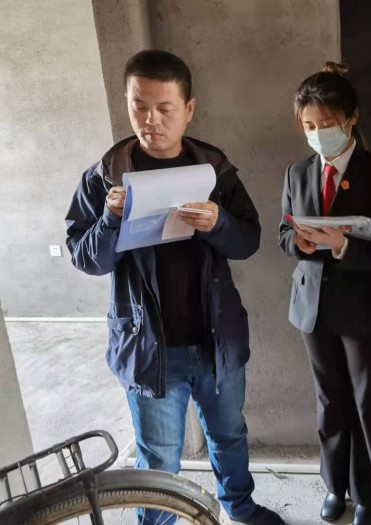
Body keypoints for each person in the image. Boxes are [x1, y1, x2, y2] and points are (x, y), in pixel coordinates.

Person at [65, 49, 284, 525]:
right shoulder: (104, 177)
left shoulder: (214, 170)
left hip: (216, 341)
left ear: (189, 109)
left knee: (230, 435)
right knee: (159, 458)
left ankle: (240, 507)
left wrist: (218, 222)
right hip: (148, 346)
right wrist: (110, 219)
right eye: (139, 106)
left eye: (164, 108)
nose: (151, 120)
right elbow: (86, 257)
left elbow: (248, 241)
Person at [278, 62, 371, 525]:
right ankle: (334, 485)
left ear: (351, 118)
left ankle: (369, 490)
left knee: (365, 398)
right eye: (309, 126)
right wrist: (301, 243)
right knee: (328, 398)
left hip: (363, 304)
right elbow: (283, 233)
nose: (317, 134)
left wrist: (344, 246)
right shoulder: (297, 172)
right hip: (312, 303)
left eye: (326, 124)